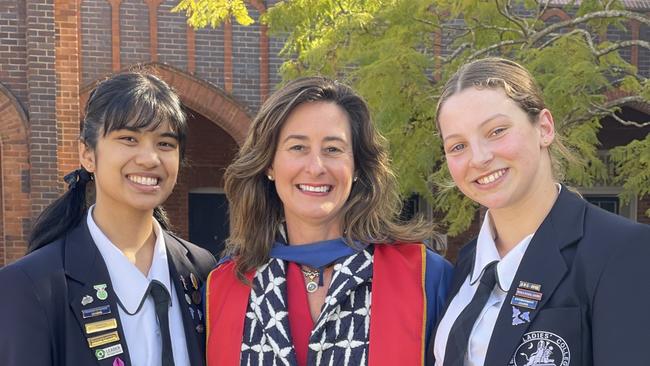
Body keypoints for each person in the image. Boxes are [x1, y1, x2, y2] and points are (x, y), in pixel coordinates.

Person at [204, 76, 452, 366]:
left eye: (333, 149)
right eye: (298, 148)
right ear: (269, 164)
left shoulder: (424, 276)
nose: (316, 167)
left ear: (357, 165)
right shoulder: (223, 285)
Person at [432, 57, 650, 366]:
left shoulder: (622, 251)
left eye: (496, 131)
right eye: (457, 146)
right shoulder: (466, 265)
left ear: (544, 128)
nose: (478, 158)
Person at [0, 72, 217, 366]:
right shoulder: (32, 285)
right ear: (87, 154)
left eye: (165, 144)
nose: (149, 158)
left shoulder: (202, 270)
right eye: (129, 139)